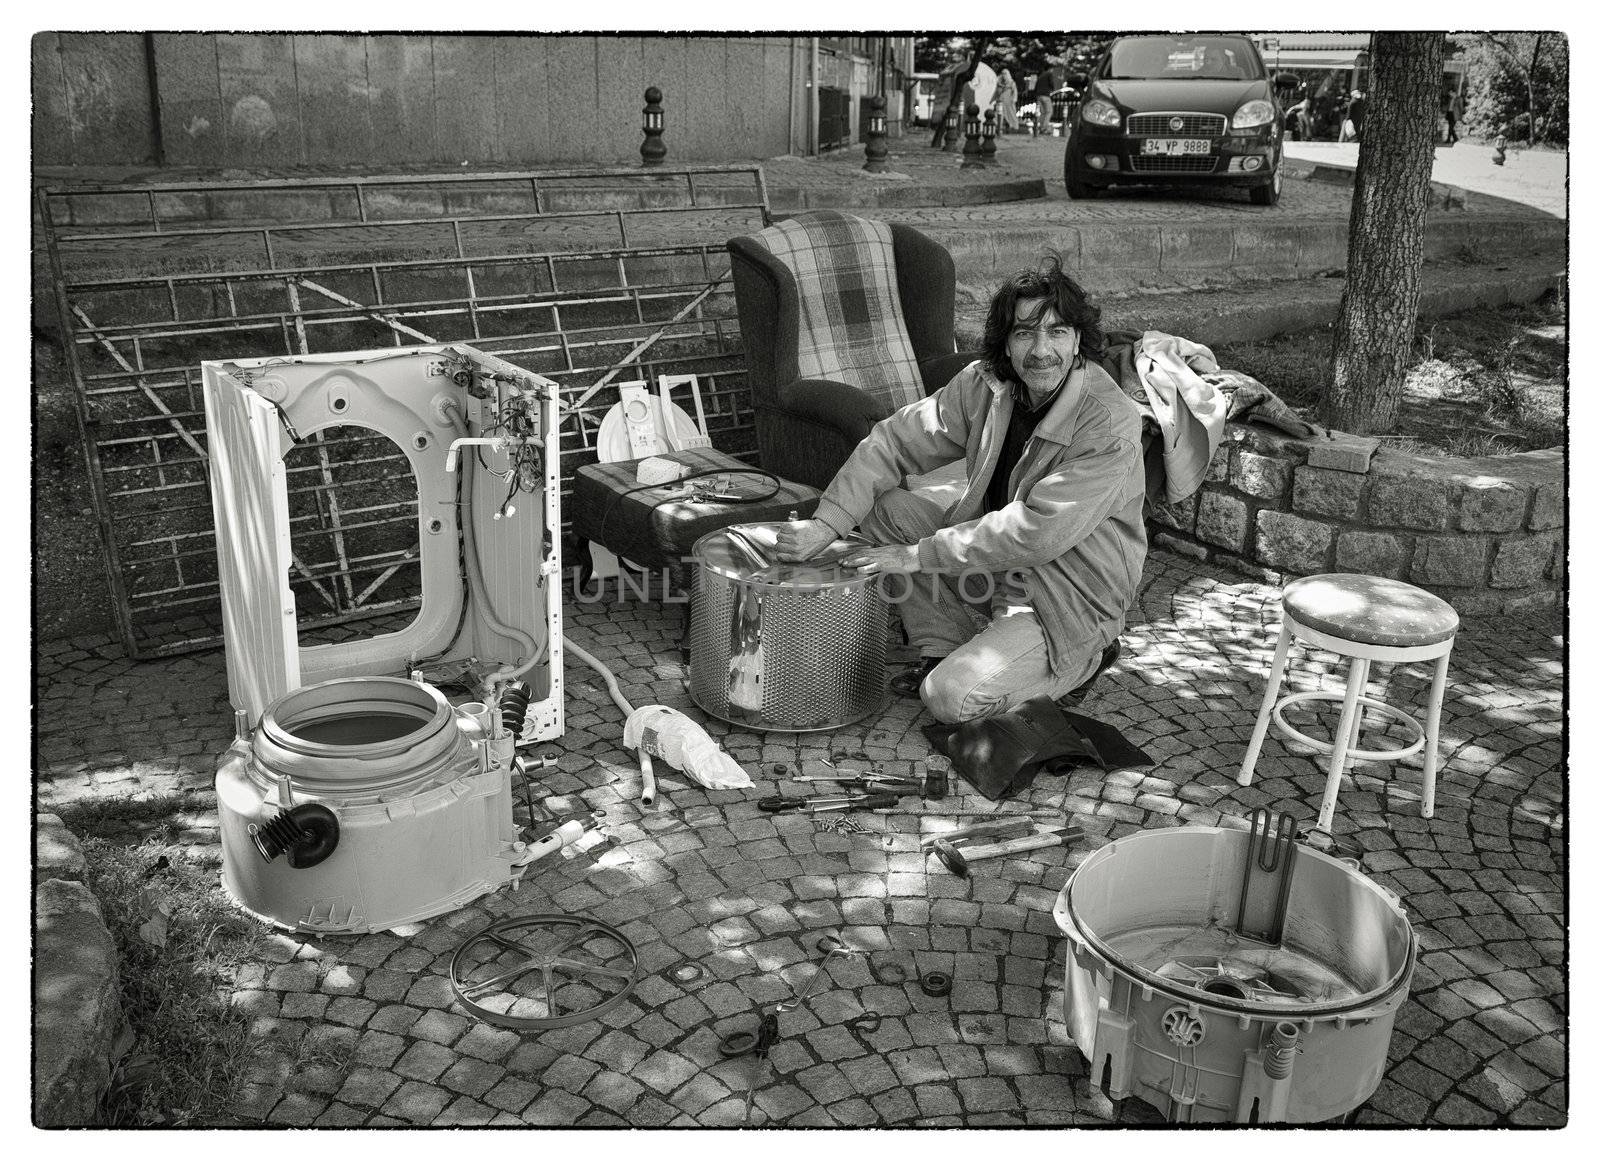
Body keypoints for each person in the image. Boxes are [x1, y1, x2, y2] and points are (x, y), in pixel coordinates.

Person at [772, 255, 1146, 725]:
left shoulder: (1108, 422)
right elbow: (893, 440)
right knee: (885, 510)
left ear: (1077, 342)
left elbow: (1039, 531)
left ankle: (1087, 658)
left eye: (1056, 332)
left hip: (1066, 590)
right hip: (996, 564)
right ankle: (945, 647)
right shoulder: (986, 385)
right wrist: (825, 525)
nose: (1040, 350)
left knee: (951, 699)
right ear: (1005, 344)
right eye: (1024, 332)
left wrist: (916, 555)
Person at [1033, 63, 1060, 136]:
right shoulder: (1049, 74)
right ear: (1050, 69)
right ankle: (1044, 128)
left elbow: (1035, 87)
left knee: (1043, 112)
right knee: (1049, 112)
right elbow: (1051, 83)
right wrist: (1052, 89)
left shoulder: (1041, 75)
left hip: (1039, 95)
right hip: (1045, 95)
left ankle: (1041, 127)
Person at [994, 67, 1019, 132]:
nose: (1003, 75)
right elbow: (996, 92)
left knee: (1011, 114)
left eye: (1005, 73)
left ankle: (1013, 127)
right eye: (1002, 73)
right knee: (998, 114)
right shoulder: (999, 83)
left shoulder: (1011, 82)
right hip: (1000, 102)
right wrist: (993, 100)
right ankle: (998, 126)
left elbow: (1015, 92)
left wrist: (1014, 99)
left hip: (1009, 102)